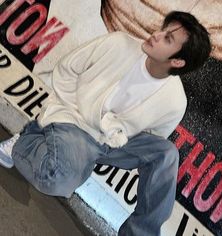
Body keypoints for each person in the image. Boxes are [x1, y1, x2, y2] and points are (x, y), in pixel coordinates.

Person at [0, 11, 211, 236]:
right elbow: (66, 69)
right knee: (57, 181)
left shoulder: (175, 101)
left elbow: (153, 136)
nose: (156, 35)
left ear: (177, 61)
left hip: (112, 142)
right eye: (163, 29)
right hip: (75, 121)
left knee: (167, 154)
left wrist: (115, 133)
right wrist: (74, 114)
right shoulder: (119, 44)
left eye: (168, 39)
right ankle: (29, 138)